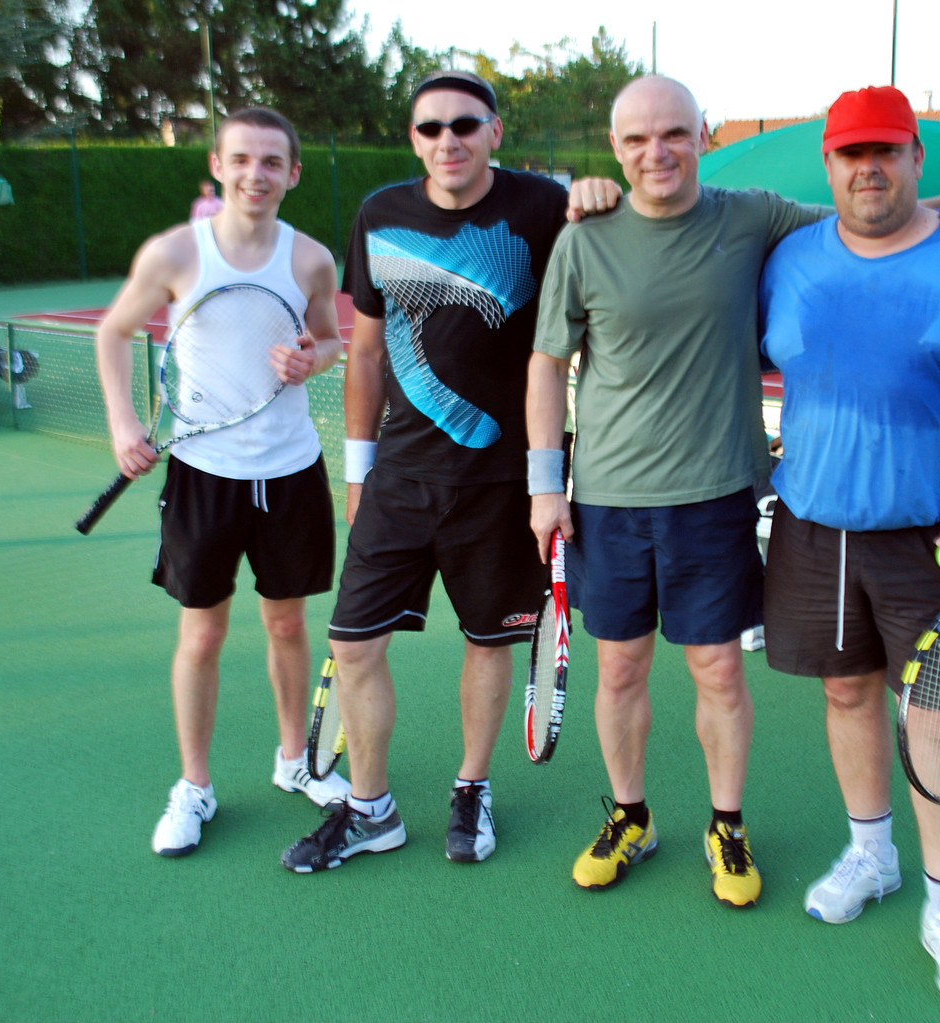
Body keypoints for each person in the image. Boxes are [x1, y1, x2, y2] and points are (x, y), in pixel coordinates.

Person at [526, 75, 940, 909]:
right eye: (637, 140)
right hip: (605, 499)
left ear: (702, 135)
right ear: (614, 149)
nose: (657, 153)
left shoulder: (750, 216)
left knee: (718, 670)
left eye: (674, 133)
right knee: (618, 671)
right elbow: (546, 362)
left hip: (715, 494)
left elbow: (868, 211)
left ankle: (726, 824)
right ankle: (631, 816)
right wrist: (546, 483)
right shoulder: (585, 234)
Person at [758, 85, 940, 1003]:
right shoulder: (786, 256)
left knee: (936, 723)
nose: (869, 169)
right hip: (812, 523)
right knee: (845, 691)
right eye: (852, 154)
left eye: (886, 151)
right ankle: (870, 854)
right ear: (827, 164)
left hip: (935, 535)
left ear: (918, 158)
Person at [280, 71, 621, 873]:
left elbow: (629, 213)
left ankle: (471, 787)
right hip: (397, 478)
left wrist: (604, 188)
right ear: (413, 139)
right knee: (353, 643)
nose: (448, 140)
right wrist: (357, 469)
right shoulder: (380, 215)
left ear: (494, 132)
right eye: (430, 128)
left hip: (503, 484)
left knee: (486, 643)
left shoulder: (543, 207)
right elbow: (363, 350)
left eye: (465, 124)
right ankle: (371, 809)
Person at [96, 107, 349, 857]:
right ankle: (196, 784)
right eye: (241, 159)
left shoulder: (309, 260)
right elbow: (112, 332)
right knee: (201, 631)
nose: (255, 174)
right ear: (217, 164)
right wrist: (120, 426)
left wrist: (314, 358)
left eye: (272, 161)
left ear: (292, 173)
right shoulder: (176, 252)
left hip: (291, 472)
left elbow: (332, 338)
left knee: (286, 623)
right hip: (204, 476)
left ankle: (292, 760)